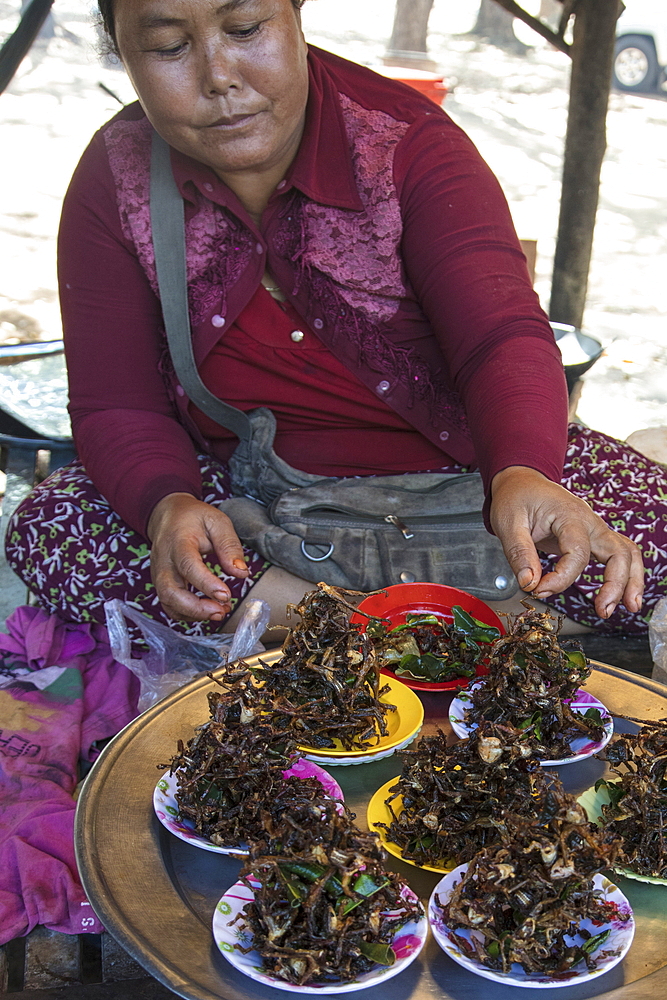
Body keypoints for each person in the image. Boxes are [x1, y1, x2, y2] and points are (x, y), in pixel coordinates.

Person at [6, 0, 661, 640]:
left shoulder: (404, 145)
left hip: (468, 486)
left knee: (645, 529)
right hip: (256, 510)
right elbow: (118, 405)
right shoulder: (116, 178)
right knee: (55, 521)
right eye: (168, 46)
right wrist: (166, 504)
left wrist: (521, 471)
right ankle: (439, 629)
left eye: (244, 28)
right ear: (124, 54)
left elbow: (500, 336)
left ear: (295, 14)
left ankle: (309, 628)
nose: (219, 76)